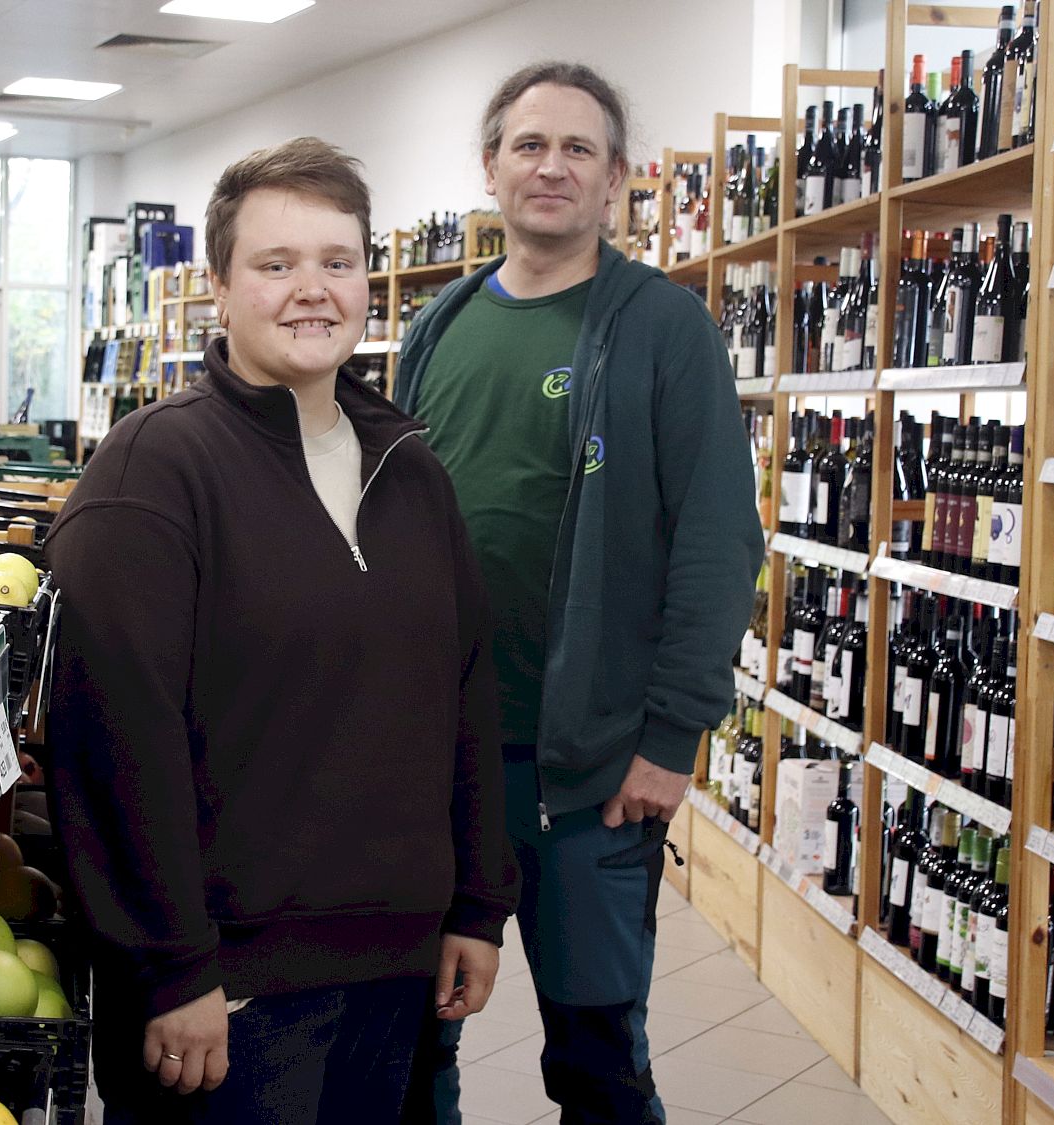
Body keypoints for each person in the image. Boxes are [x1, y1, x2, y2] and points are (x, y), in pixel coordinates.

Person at [44, 137, 518, 1124]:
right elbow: (113, 743)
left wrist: (478, 901)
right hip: (225, 992)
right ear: (218, 286)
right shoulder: (152, 473)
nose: (313, 290)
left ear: (367, 279)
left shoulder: (408, 470)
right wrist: (168, 966)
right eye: (275, 264)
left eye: (336, 262)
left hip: (394, 972)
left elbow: (463, 698)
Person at [396, 63, 761, 1125]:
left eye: (577, 150)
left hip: (590, 770)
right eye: (527, 145)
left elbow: (714, 540)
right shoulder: (441, 323)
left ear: (617, 182)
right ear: (489, 168)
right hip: (439, 763)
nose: (549, 167)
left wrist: (672, 736)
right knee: (416, 1043)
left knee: (596, 1055)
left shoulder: (661, 329)